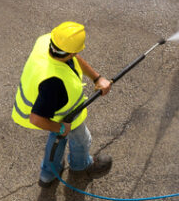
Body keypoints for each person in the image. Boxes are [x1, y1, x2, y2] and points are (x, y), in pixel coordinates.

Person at [12, 21, 113, 187]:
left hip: (53, 110)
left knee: (57, 140)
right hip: (62, 116)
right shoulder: (53, 83)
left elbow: (74, 58)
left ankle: (48, 174)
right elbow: (36, 119)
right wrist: (60, 128)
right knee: (81, 139)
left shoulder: (46, 41)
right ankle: (81, 165)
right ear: (72, 52)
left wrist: (97, 78)